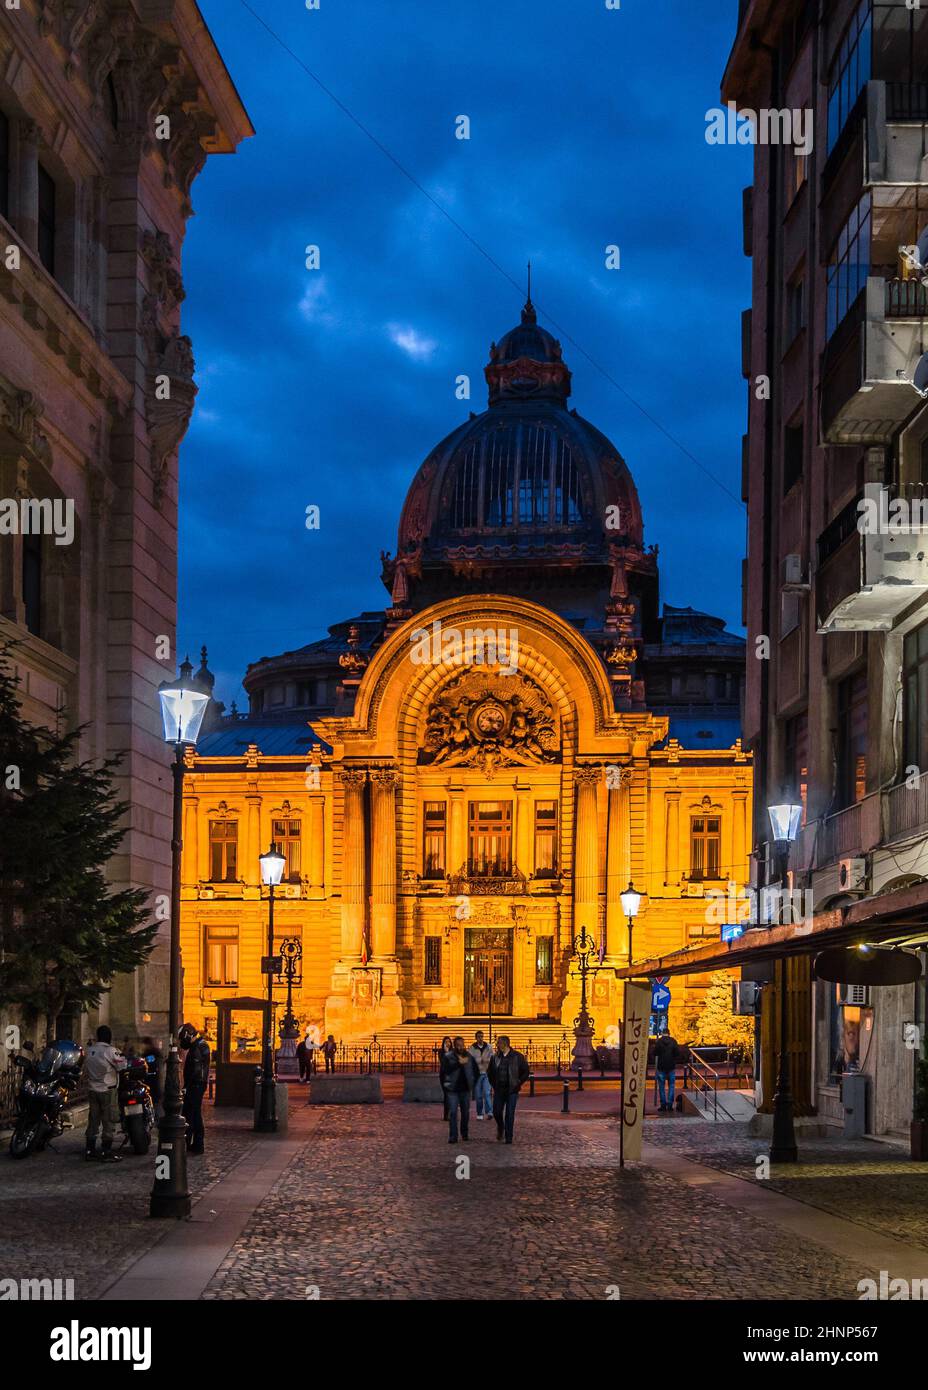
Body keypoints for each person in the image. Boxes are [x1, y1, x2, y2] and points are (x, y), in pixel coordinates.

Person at [84, 1025, 127, 1162]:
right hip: (107, 1090)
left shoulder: (90, 1050)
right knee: (109, 1121)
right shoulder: (110, 1051)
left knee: (93, 1120)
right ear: (109, 1037)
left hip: (92, 1090)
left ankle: (90, 1150)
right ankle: (106, 1151)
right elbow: (122, 1065)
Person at [488, 1036, 530, 1144]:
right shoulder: (495, 1057)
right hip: (499, 1089)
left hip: (512, 1090)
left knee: (510, 1114)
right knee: (496, 1111)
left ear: (505, 1044)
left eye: (499, 1043)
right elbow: (490, 1072)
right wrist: (494, 1085)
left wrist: (518, 1082)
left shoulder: (517, 1057)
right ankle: (500, 1127)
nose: (497, 1045)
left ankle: (509, 1137)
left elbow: (525, 1071)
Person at [178, 1022, 210, 1154]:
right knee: (193, 1113)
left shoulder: (197, 1047)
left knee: (193, 1114)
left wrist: (187, 1086)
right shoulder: (202, 1044)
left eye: (181, 1038)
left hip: (195, 1085)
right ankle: (194, 1143)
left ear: (187, 1035)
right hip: (199, 1084)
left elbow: (196, 1070)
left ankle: (196, 1144)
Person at [440, 1036, 478, 1143]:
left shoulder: (469, 1057)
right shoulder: (448, 1057)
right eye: (458, 1045)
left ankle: (464, 1133)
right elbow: (444, 1070)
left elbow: (476, 1072)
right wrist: (458, 1063)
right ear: (455, 1045)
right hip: (452, 1089)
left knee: (465, 1112)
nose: (461, 1047)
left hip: (465, 1089)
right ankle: (453, 1136)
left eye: (462, 1045)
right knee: (453, 1113)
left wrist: (473, 1084)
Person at [468, 1030, 494, 1120]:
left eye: (482, 1036)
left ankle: (490, 1112)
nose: (481, 1038)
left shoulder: (489, 1047)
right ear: (476, 1038)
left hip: (487, 1073)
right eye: (479, 1036)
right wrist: (479, 1061)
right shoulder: (472, 1048)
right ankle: (479, 1113)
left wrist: (486, 1060)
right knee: (478, 1095)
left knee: (487, 1093)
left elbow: (493, 1058)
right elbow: (470, 1061)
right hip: (477, 1074)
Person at [654, 1031, 679, 1113]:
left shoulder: (659, 1042)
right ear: (669, 1033)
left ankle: (663, 1105)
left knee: (661, 1087)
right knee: (671, 1086)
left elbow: (655, 1053)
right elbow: (677, 1053)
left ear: (662, 1033)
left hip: (661, 1067)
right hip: (671, 1067)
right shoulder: (673, 1041)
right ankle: (670, 1105)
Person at [438, 1036, 453, 1121]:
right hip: (444, 1076)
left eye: (449, 1042)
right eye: (446, 1042)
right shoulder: (441, 1052)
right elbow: (443, 1063)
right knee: (447, 1095)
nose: (447, 1043)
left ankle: (450, 1114)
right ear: (443, 1043)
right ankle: (446, 1115)